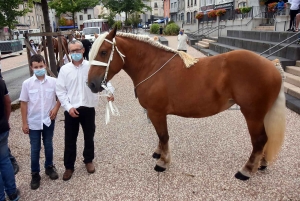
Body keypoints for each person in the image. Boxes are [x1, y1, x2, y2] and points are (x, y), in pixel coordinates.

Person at [56, 40, 115, 181]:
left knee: (89, 136)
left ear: (83, 50)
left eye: (77, 50)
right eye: (72, 51)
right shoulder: (65, 70)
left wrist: (110, 92)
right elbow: (60, 91)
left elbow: (105, 81)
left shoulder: (91, 66)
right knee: (70, 139)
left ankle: (88, 160)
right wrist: (68, 107)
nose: (75, 53)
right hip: (72, 110)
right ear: (69, 53)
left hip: (88, 108)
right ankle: (69, 167)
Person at [19, 54, 60, 190]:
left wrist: (55, 108)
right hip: (34, 121)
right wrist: (24, 123)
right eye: (36, 67)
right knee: (35, 148)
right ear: (31, 68)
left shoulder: (53, 82)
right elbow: (23, 103)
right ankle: (35, 173)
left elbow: (61, 96)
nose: (39, 69)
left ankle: (49, 166)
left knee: (48, 145)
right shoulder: (27, 84)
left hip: (48, 120)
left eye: (41, 66)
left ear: (45, 65)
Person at [0, 79, 20, 201]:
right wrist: (5, 120)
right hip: (1, 128)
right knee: (5, 161)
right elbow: (7, 102)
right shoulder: (1, 82)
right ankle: (12, 193)